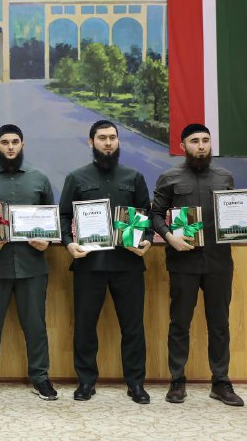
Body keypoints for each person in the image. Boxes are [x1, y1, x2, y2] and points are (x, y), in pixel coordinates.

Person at [151, 123, 247, 407]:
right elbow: (156, 215)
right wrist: (169, 237)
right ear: (183, 146)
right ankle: (177, 380)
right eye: (194, 141)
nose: (201, 146)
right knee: (179, 323)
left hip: (218, 262)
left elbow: (236, 215)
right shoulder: (169, 178)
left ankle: (221, 382)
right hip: (183, 261)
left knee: (219, 324)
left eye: (205, 140)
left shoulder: (224, 177)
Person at [59, 120, 153, 404]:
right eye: (102, 138)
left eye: (113, 137)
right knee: (85, 327)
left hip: (128, 264)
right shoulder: (76, 178)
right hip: (90, 265)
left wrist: (147, 241)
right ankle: (86, 381)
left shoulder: (134, 177)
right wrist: (68, 243)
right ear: (91, 142)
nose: (108, 142)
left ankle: (136, 383)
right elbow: (63, 216)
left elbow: (147, 216)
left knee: (133, 327)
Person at [0, 124, 58, 400]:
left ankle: (40, 378)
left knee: (36, 325)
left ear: (23, 145)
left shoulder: (40, 179)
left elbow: (51, 219)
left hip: (32, 266)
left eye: (15, 141)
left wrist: (48, 241)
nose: (10, 146)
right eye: (5, 142)